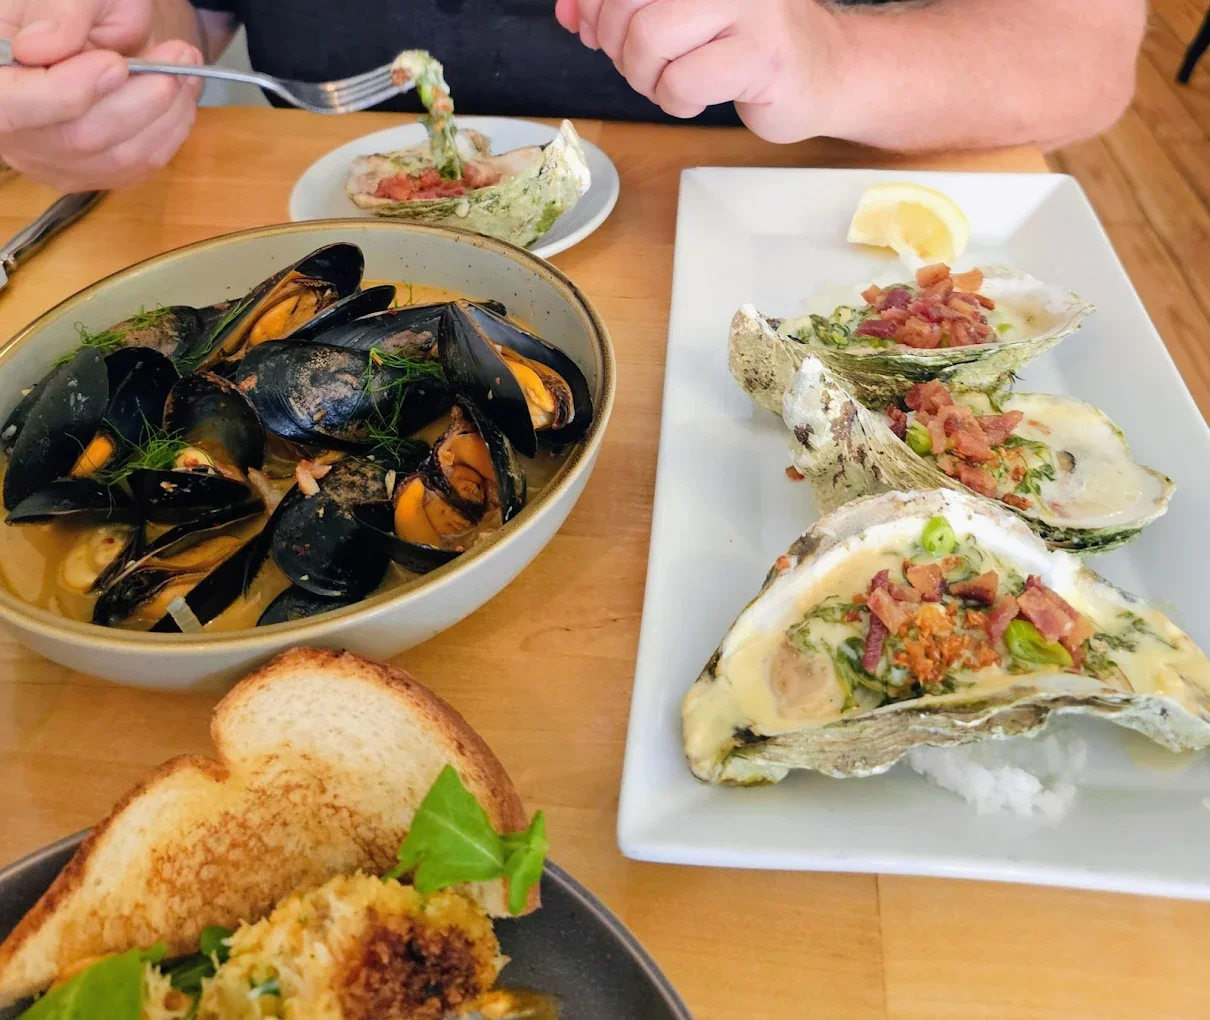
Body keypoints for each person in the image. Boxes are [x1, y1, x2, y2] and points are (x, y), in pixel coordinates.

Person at [0, 0, 1146, 193]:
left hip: (777, 286)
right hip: (332, 270)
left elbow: (1079, 47)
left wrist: (828, 54)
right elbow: (172, 22)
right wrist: (108, 69)